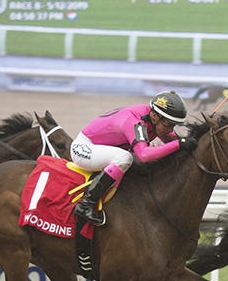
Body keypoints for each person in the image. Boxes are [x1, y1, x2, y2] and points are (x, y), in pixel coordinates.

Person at [70, 90, 197, 225]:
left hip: (100, 150)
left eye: (173, 125)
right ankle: (86, 204)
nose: (170, 130)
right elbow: (144, 155)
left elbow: (170, 139)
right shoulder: (135, 121)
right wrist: (179, 144)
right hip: (83, 149)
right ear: (154, 116)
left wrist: (188, 143)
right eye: (168, 124)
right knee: (125, 158)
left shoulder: (153, 118)